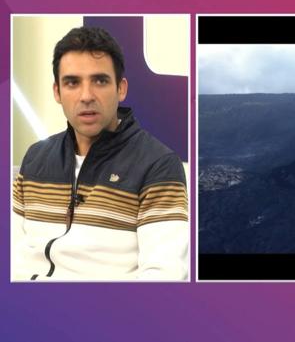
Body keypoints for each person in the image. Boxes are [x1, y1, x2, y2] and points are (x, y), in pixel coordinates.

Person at [11, 26, 188, 281]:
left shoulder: (158, 166)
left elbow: (163, 277)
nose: (86, 96)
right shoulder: (36, 157)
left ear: (121, 89)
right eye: (72, 82)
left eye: (100, 81)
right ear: (57, 92)